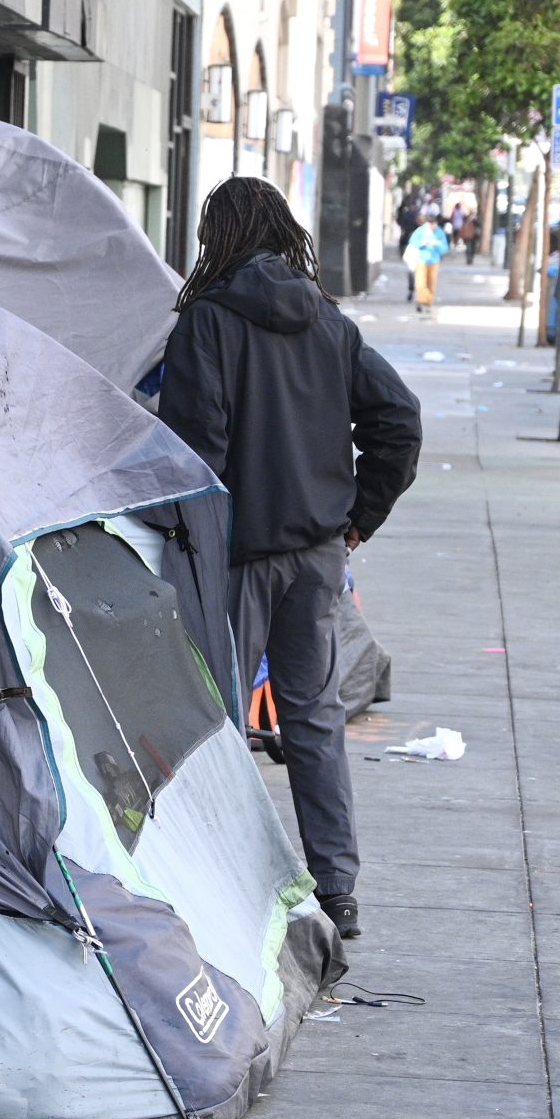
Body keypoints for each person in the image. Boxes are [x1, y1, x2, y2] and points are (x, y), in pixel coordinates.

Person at [158, 178, 424, 942]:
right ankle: (336, 890)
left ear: (221, 239)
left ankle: (227, 879)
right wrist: (355, 521)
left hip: (236, 560)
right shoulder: (328, 323)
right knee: (314, 722)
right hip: (313, 558)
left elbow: (191, 457)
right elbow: (398, 422)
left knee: (215, 722)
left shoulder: (207, 323)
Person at [405, 208, 451, 314]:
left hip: (434, 261)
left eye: (433, 223)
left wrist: (436, 244)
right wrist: (423, 242)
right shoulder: (421, 231)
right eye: (430, 223)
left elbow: (445, 248)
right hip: (421, 259)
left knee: (431, 282)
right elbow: (413, 242)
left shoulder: (439, 232)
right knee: (420, 282)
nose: (432, 226)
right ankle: (421, 301)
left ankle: (428, 302)